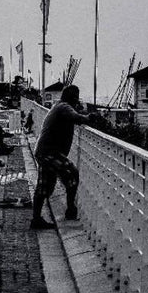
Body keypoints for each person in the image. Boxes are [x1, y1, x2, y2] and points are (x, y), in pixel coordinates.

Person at [30, 85, 101, 230]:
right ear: (72, 97)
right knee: (72, 173)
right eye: (76, 97)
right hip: (50, 152)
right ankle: (70, 209)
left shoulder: (59, 106)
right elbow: (76, 117)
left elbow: (73, 114)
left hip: (44, 150)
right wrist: (89, 117)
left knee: (45, 185)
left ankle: (36, 219)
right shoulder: (64, 107)